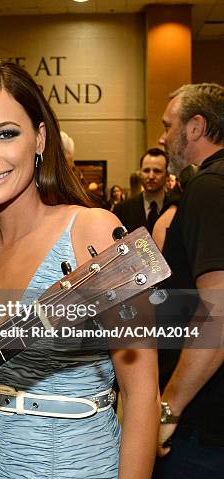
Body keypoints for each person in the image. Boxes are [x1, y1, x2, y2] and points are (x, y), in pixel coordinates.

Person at [0, 60, 159, 479]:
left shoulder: (91, 232)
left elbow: (141, 391)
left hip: (75, 465)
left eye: (6, 134)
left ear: (38, 138)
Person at [154, 82, 224, 478]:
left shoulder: (208, 187)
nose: (163, 138)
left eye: (169, 126)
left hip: (203, 427)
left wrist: (168, 407)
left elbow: (219, 309)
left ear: (195, 127)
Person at [113, 148, 171, 234]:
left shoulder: (177, 208)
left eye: (157, 171)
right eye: (146, 171)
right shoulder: (122, 210)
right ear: (140, 174)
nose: (151, 176)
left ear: (166, 175)